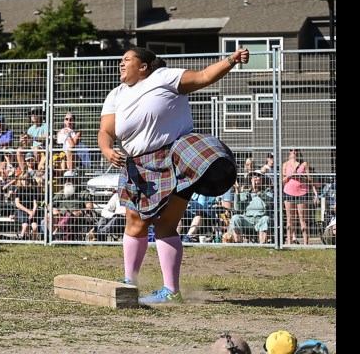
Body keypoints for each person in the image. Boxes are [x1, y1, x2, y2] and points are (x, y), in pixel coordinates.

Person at [97, 46, 246, 304]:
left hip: (174, 157)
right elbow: (105, 131)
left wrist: (231, 60)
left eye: (127, 60)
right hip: (138, 164)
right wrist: (107, 150)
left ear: (143, 66)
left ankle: (170, 291)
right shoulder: (116, 95)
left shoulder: (163, 78)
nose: (121, 64)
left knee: (166, 223)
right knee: (134, 221)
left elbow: (204, 77)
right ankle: (129, 282)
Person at [228, 170, 274, 244]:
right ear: (251, 179)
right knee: (235, 218)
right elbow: (237, 208)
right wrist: (237, 191)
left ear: (262, 179)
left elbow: (269, 202)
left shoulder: (268, 192)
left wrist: (257, 191)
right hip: (248, 219)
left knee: (266, 219)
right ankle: (238, 244)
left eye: (258, 175)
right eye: (254, 175)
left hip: (260, 219)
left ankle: (262, 245)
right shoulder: (246, 193)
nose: (255, 177)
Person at [282, 148, 312, 244]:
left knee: (302, 218)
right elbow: (283, 181)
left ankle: (306, 243)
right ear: (289, 152)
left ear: (298, 152)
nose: (293, 152)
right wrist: (290, 175)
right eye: (291, 150)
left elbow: (310, 179)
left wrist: (301, 176)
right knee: (290, 218)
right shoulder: (285, 164)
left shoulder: (304, 164)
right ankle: (289, 242)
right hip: (288, 192)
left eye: (296, 150)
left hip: (302, 192)